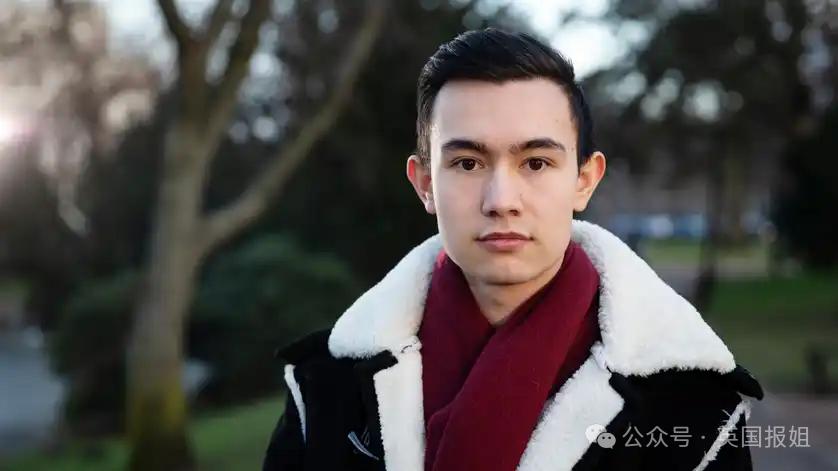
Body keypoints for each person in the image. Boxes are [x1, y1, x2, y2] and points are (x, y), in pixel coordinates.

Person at [262, 28, 763, 471]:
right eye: (467, 164)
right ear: (425, 184)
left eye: (536, 163)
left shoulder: (692, 406)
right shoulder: (325, 388)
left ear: (584, 180)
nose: (501, 200)